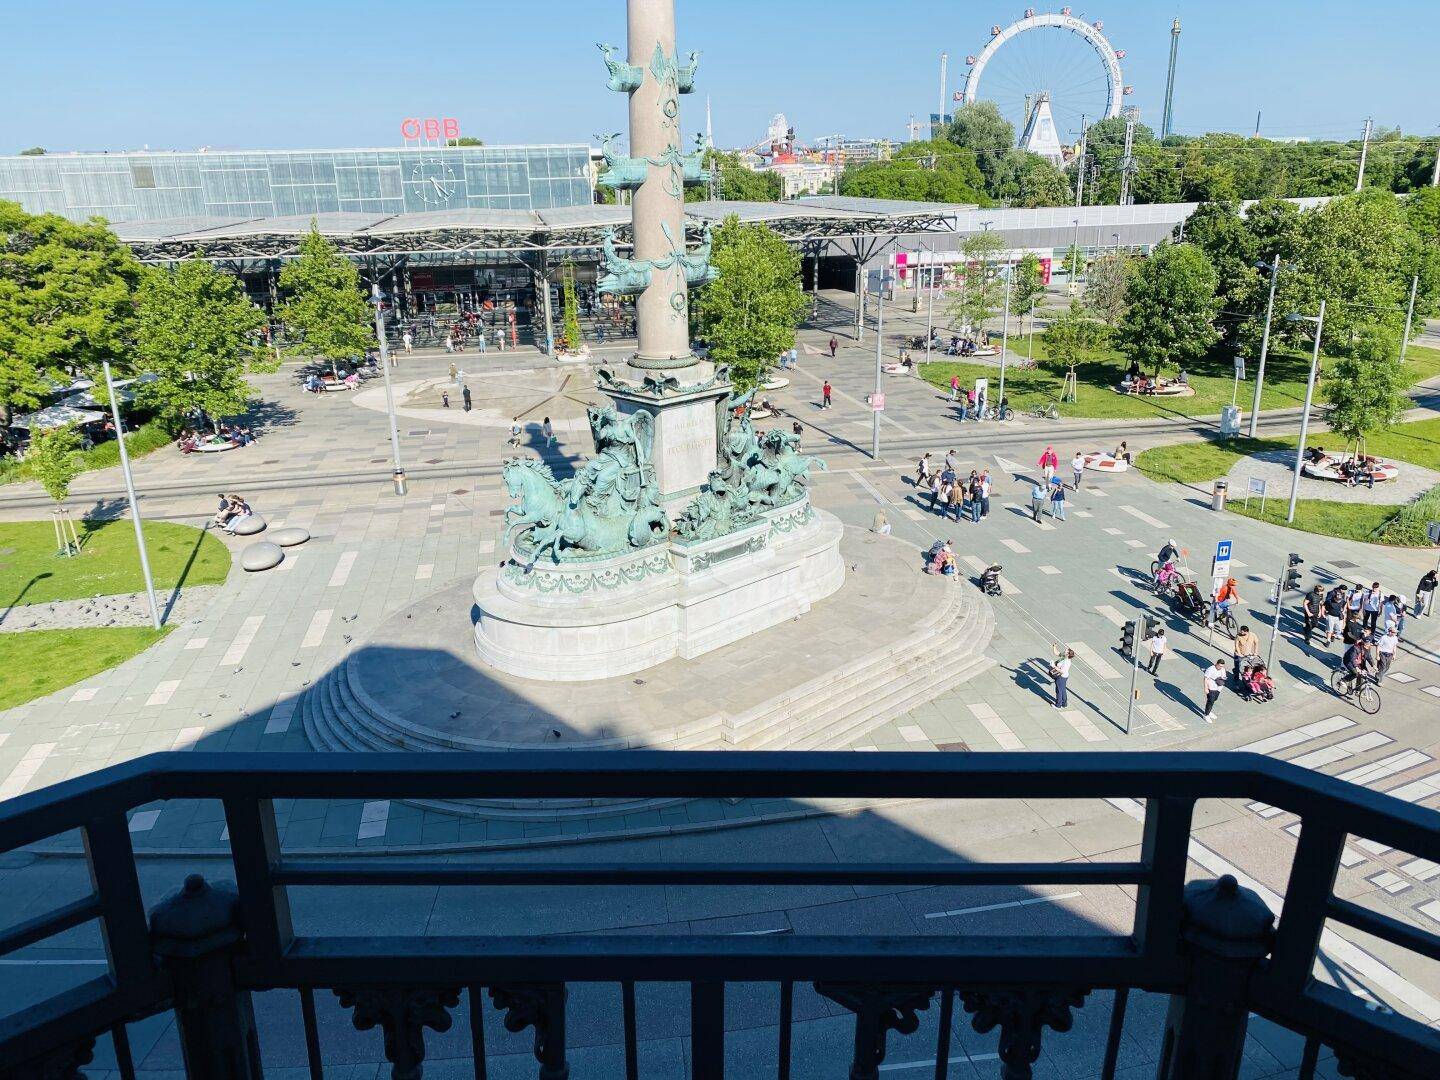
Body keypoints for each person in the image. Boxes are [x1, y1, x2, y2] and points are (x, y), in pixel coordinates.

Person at [1202, 658, 1227, 722]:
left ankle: (1209, 711)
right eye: (1220, 666)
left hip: (1219, 687)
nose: (1221, 667)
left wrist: (1223, 678)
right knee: (1211, 701)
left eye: (1222, 666)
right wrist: (1206, 688)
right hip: (1211, 687)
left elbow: (1224, 677)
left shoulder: (1223, 669)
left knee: (1214, 699)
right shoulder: (1210, 669)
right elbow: (1205, 678)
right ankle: (1206, 715)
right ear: (1216, 664)